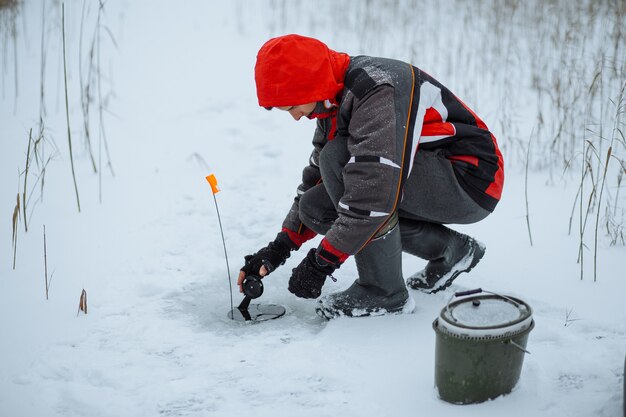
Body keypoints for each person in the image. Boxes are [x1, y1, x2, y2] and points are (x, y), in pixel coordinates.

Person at [238, 34, 504, 319]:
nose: (294, 117)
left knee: (341, 161)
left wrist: (322, 262)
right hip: (431, 176)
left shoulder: (377, 90)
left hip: (470, 180)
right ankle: (451, 250)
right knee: (316, 207)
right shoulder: (333, 98)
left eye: (292, 107)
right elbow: (316, 179)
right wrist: (279, 247)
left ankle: (383, 292)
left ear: (309, 84)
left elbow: (372, 194)